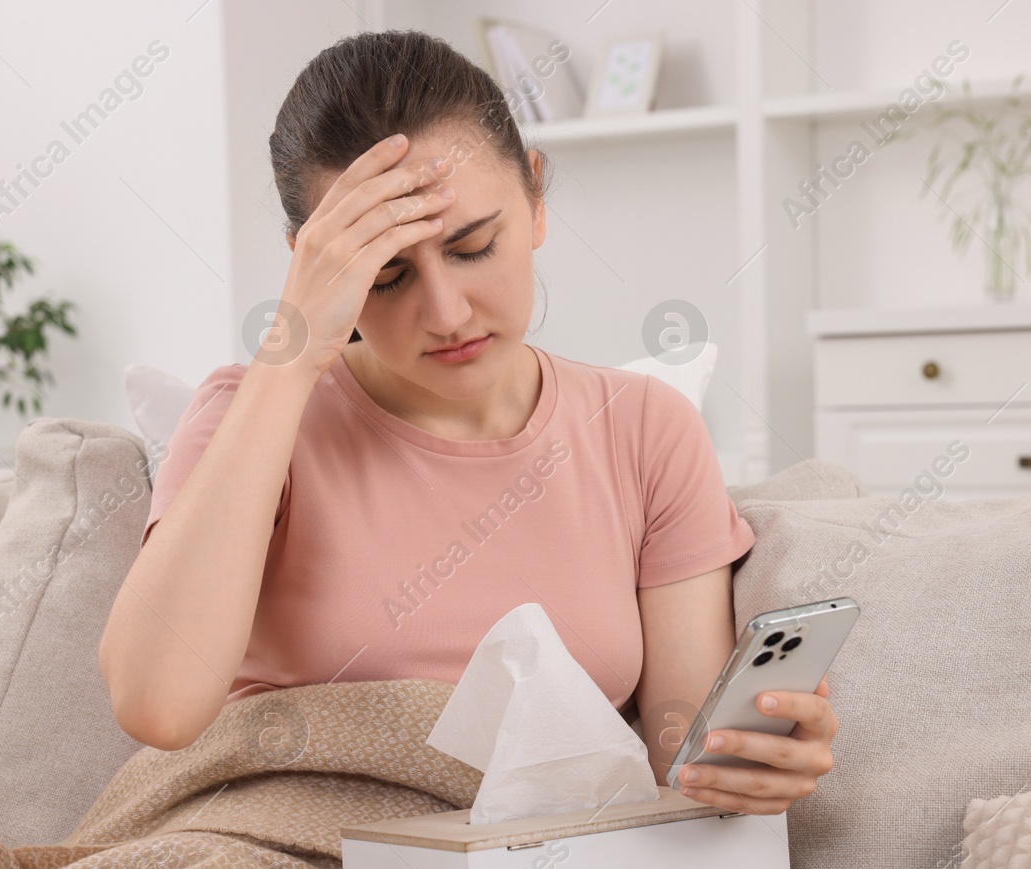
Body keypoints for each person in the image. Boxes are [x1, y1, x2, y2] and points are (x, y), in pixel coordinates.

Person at [98, 29, 836, 817]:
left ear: (537, 198)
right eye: (385, 276)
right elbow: (158, 705)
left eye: (474, 246)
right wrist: (292, 354)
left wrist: (749, 771)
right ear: (309, 262)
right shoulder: (248, 416)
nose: (446, 313)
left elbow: (678, 771)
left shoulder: (647, 430)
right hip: (266, 852)